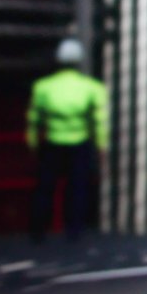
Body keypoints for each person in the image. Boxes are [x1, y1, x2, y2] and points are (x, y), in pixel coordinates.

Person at [28, 37, 108, 243]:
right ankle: (74, 231)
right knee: (77, 189)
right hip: (80, 143)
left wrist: (33, 143)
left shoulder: (43, 87)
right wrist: (101, 146)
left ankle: (39, 231)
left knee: (45, 189)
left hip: (52, 142)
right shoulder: (92, 87)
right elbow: (99, 121)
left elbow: (34, 120)